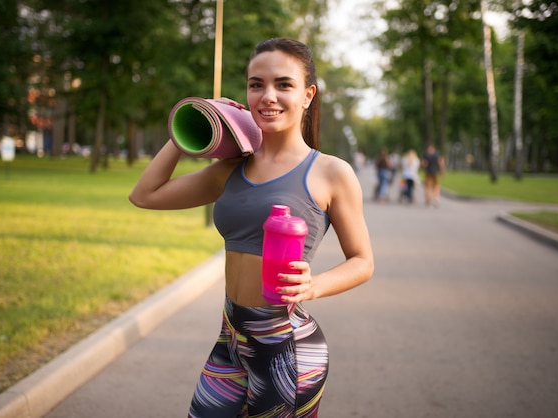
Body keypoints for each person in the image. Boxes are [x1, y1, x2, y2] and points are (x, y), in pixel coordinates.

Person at [129, 38, 374, 417]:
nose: (267, 96)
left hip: (285, 348)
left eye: (283, 84)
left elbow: (362, 261)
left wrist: (314, 285)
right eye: (256, 84)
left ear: (308, 95)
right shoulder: (232, 168)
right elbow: (145, 195)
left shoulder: (330, 172)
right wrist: (190, 130)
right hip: (231, 339)